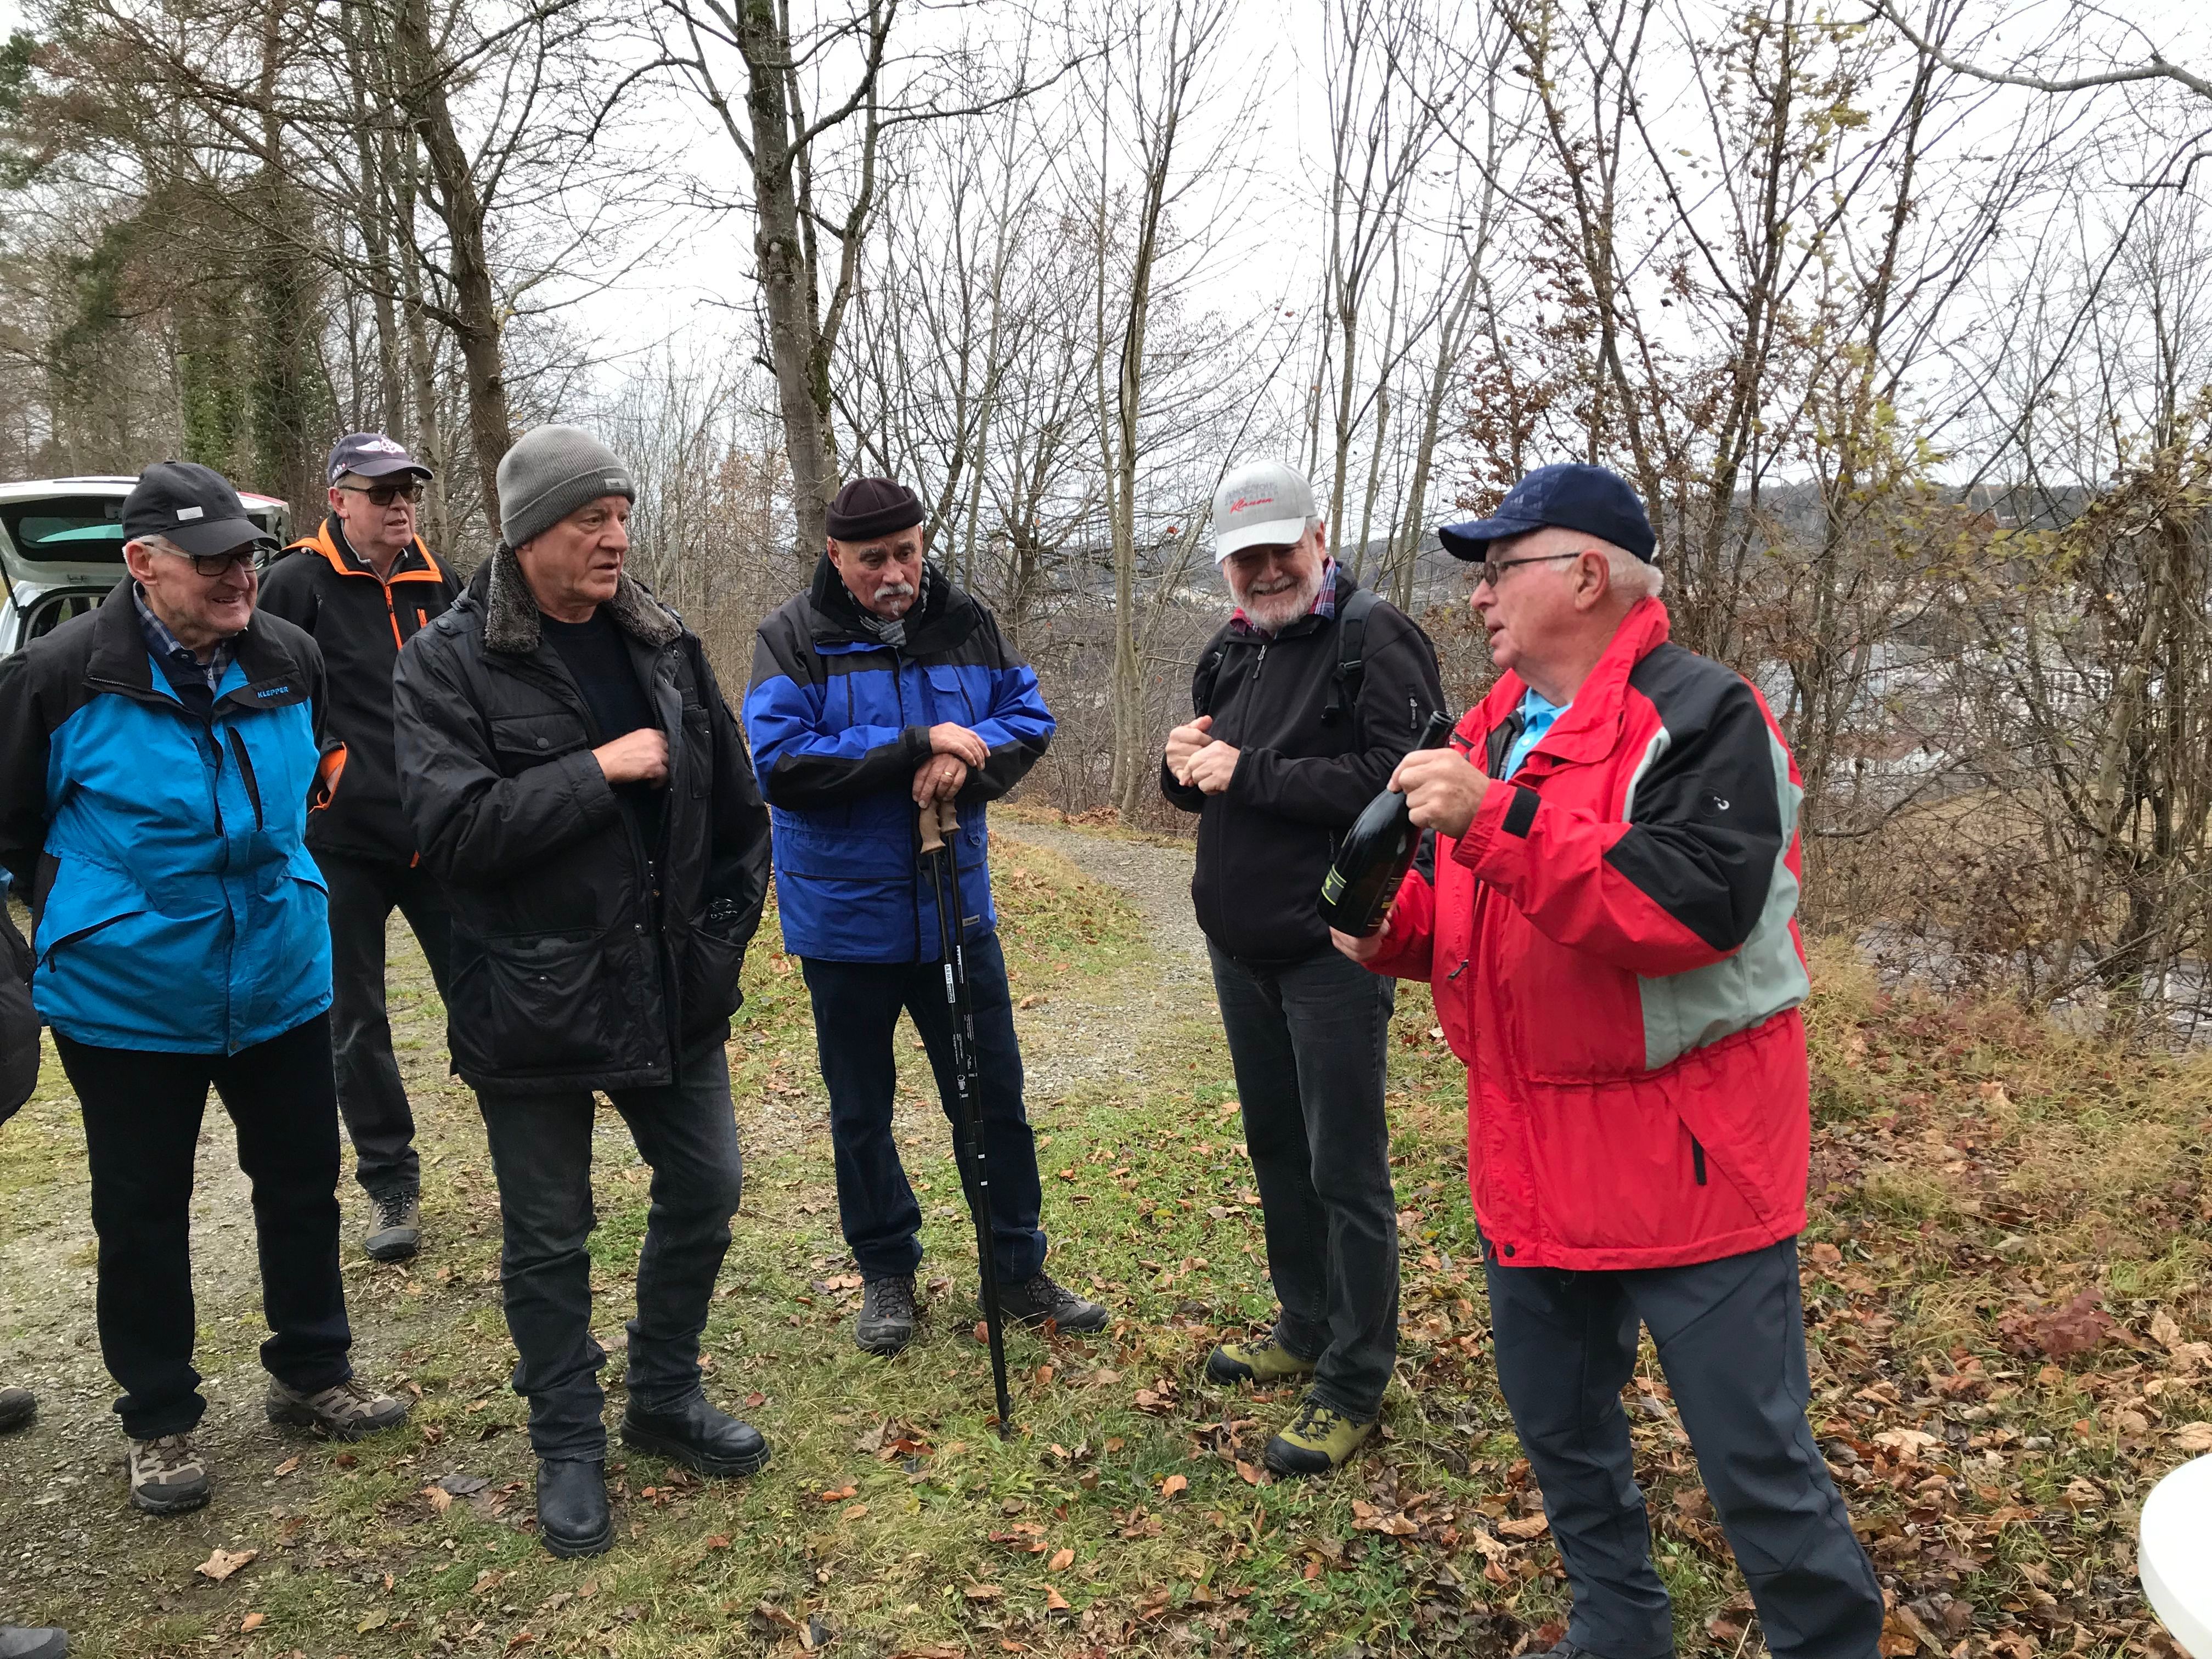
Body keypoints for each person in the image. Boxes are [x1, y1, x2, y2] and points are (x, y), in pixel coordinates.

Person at [1336, 464, 1883, 1659]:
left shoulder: (1705, 715)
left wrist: (1494, 819)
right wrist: (1389, 928)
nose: (1478, 598)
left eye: (1500, 570)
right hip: (1529, 1159)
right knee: (1566, 1442)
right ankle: (1618, 1631)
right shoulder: (1489, 731)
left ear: (1584, 576)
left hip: (1690, 1169)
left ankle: (1827, 1641)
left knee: (1757, 1466)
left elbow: (1688, 909)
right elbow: (1477, 927)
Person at [0, 461, 409, 1517]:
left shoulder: (290, 655)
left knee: (301, 1180)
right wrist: (89, 908)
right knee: (142, 1208)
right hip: (128, 995)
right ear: (143, 564)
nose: (241, 575)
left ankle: (313, 1370)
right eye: (216, 559)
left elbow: (318, 766)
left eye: (249, 556)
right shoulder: (60, 675)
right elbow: (15, 829)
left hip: (279, 970)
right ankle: (160, 1418)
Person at [392, 425, 773, 1559]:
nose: (615, 539)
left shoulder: (662, 641)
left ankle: (662, 1395)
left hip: (668, 986)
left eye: (621, 516)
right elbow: (451, 830)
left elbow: (738, 812)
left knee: (708, 1185)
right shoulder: (447, 662)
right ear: (526, 535)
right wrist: (596, 770)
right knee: (551, 1237)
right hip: (532, 997)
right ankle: (568, 1442)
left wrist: (716, 938)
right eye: (588, 521)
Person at [746, 476, 1105, 1358]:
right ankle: (886, 1274)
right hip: (844, 923)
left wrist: (964, 766)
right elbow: (782, 762)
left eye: (908, 551)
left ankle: (1016, 1267)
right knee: (861, 1111)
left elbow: (1027, 717)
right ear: (836, 557)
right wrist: (915, 745)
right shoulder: (793, 637)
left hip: (955, 910)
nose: (897, 572)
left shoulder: (967, 620)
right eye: (875, 560)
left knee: (994, 1101)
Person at [1158, 460, 1446, 1477]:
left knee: (1345, 1167)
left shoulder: (1377, 640)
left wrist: (1255, 772)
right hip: (1240, 946)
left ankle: (1356, 1376)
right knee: (1278, 1146)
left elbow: (1405, 786)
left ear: (1319, 538)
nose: (1265, 569)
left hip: (1334, 947)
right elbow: (1214, 791)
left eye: (1280, 548)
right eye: (1245, 558)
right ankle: (1304, 1320)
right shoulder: (1231, 651)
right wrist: (1180, 764)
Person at [259, 433, 460, 1262]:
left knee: (488, 989)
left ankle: (533, 1160)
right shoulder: (296, 582)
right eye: (381, 493)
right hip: (341, 839)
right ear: (339, 500)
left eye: (407, 489)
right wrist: (321, 770)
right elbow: (263, 694)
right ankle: (389, 1179)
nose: (400, 505)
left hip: (440, 832)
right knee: (356, 1018)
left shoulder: (435, 583)